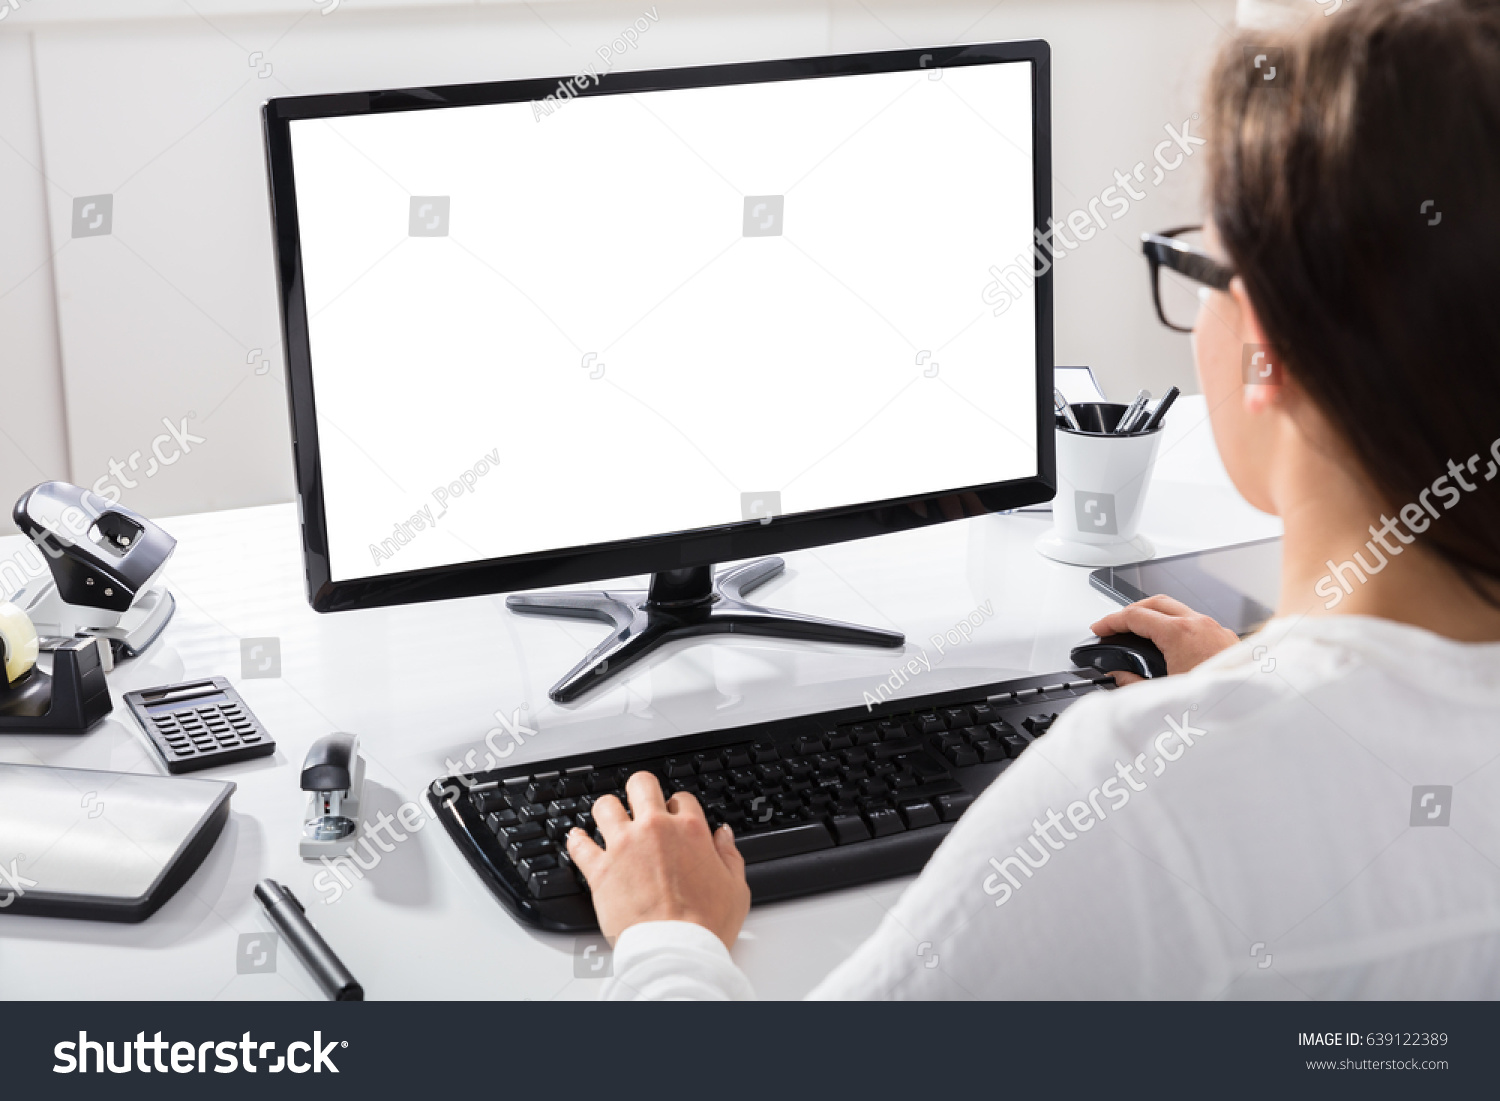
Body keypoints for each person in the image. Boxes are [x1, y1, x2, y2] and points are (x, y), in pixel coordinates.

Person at [566, 0, 1500, 999]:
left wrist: (667, 933)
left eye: (1197, 264)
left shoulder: (1139, 801)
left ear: (1267, 341)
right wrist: (1277, 690)